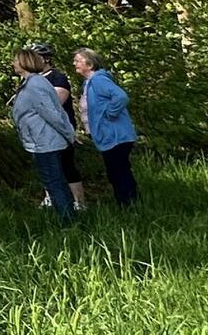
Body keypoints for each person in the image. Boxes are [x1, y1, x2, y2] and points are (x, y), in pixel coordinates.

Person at [12, 48, 77, 224]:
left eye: (16, 60)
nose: (13, 63)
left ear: (25, 62)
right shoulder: (33, 82)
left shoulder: (35, 85)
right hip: (42, 141)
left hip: (45, 142)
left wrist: (69, 134)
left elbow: (52, 113)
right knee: (56, 181)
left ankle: (67, 222)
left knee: (54, 183)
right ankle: (69, 217)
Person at [75, 48, 139, 206]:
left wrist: (110, 113)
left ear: (89, 64)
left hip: (116, 136)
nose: (74, 63)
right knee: (115, 172)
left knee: (119, 172)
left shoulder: (98, 80)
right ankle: (127, 205)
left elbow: (121, 96)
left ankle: (131, 206)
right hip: (108, 136)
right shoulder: (88, 83)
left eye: (78, 60)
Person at [29, 43, 88, 211]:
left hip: (61, 129)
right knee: (47, 166)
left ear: (45, 59)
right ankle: (51, 197)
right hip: (41, 131)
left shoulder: (56, 77)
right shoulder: (33, 79)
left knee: (67, 165)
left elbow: (54, 103)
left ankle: (79, 201)